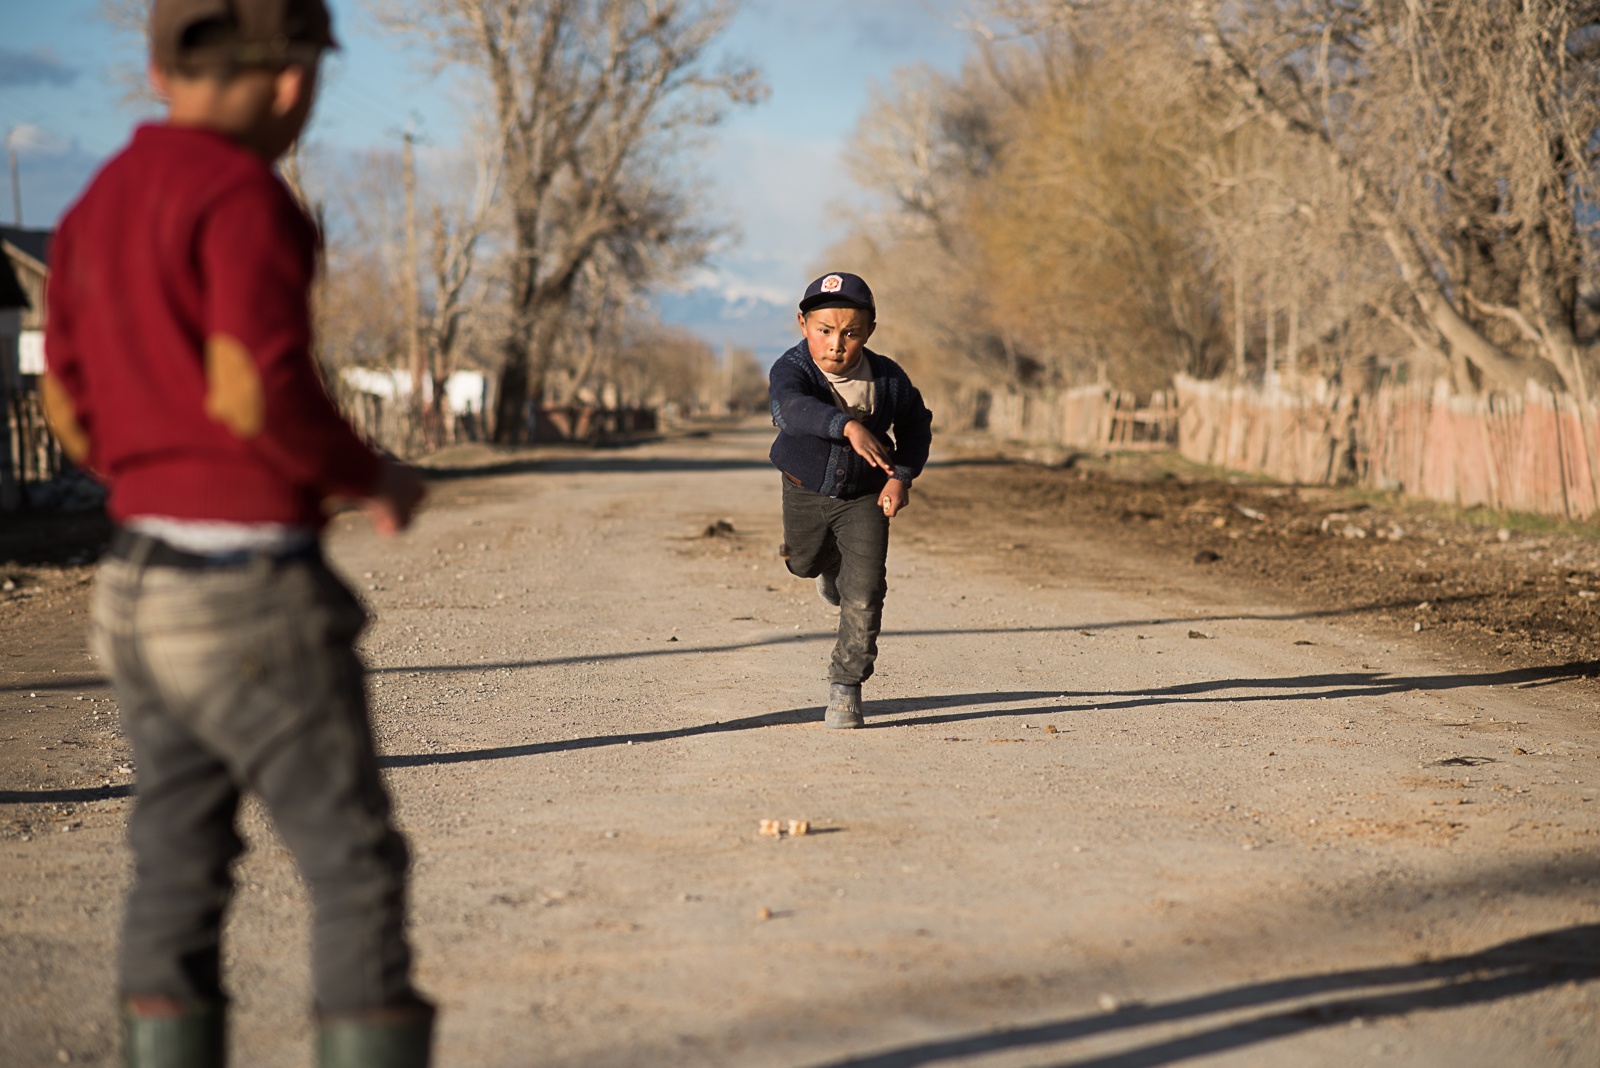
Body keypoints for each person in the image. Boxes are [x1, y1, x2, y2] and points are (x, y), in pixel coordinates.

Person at [42, 1, 434, 1064]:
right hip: (243, 587)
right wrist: (372, 476)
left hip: (134, 585)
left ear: (158, 64)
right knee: (350, 861)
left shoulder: (92, 206)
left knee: (178, 854)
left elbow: (64, 408)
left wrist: (153, 468)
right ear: (293, 78)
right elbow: (255, 388)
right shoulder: (244, 197)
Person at [768, 272, 934, 728]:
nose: (836, 344)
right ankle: (828, 568)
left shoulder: (888, 378)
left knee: (864, 594)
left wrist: (901, 476)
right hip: (804, 486)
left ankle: (847, 686)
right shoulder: (792, 369)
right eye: (824, 331)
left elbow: (917, 427)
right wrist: (847, 425)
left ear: (868, 332)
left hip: (864, 496)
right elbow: (789, 409)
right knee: (801, 561)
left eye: (850, 332)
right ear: (803, 325)